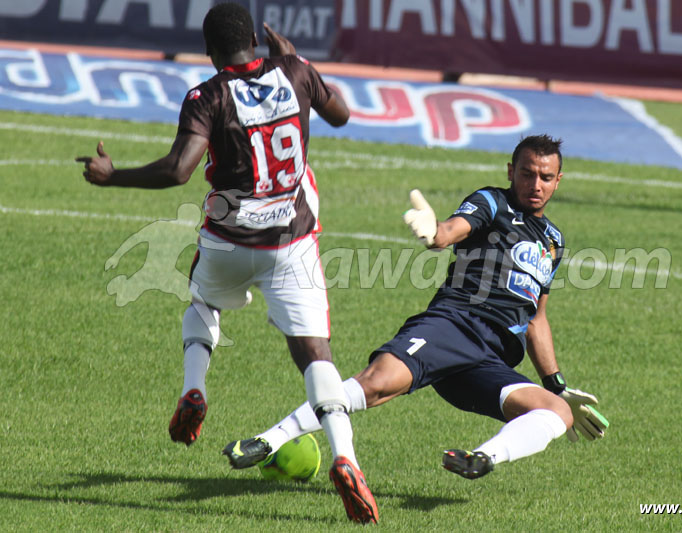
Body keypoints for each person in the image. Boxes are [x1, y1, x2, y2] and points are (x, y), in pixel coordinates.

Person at [76, 3, 378, 524]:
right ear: (257, 44)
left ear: (209, 52)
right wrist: (297, 60)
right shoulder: (296, 73)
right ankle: (346, 459)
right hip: (292, 243)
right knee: (315, 355)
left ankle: (195, 387)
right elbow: (342, 115)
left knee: (201, 302)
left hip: (229, 244)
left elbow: (178, 170)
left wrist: (113, 175)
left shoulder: (207, 95)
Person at [222, 134, 609, 484]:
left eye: (545, 177)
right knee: (375, 384)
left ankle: (482, 458)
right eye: (527, 173)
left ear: (559, 181)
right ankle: (268, 440)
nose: (535, 184)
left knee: (557, 412)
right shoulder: (492, 202)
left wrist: (556, 384)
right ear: (511, 171)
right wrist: (436, 232)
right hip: (455, 327)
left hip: (489, 358)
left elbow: (536, 318)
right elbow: (450, 231)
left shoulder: (553, 241)